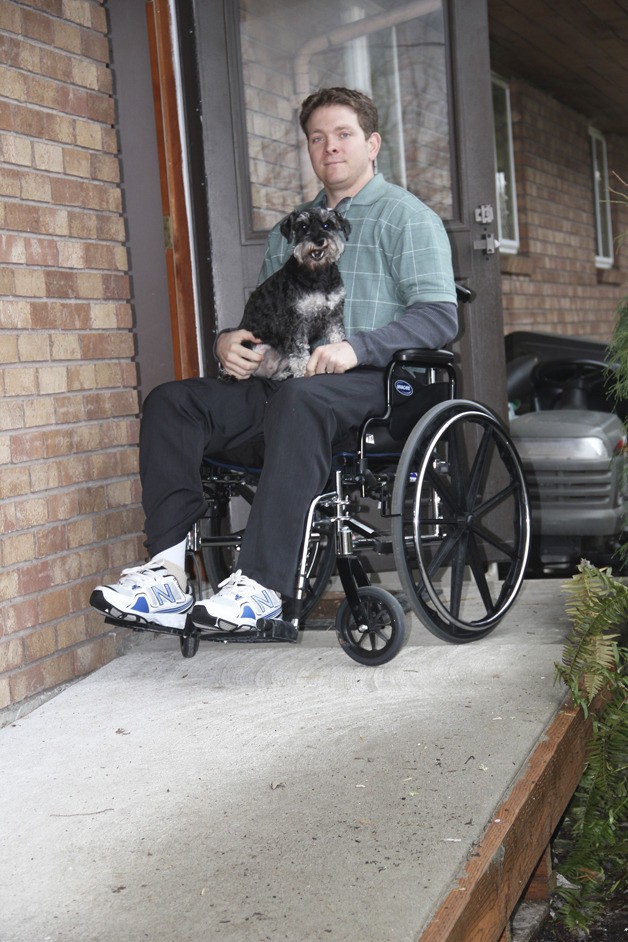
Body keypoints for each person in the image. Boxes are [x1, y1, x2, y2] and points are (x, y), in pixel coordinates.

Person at [91, 86, 458, 632]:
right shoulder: (296, 225)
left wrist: (356, 346)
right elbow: (263, 317)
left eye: (343, 134)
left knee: (298, 397)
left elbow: (439, 317)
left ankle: (261, 584)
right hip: (286, 386)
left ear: (372, 143)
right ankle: (167, 572)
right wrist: (229, 343)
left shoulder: (407, 218)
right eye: (317, 138)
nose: (329, 147)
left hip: (374, 386)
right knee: (173, 402)